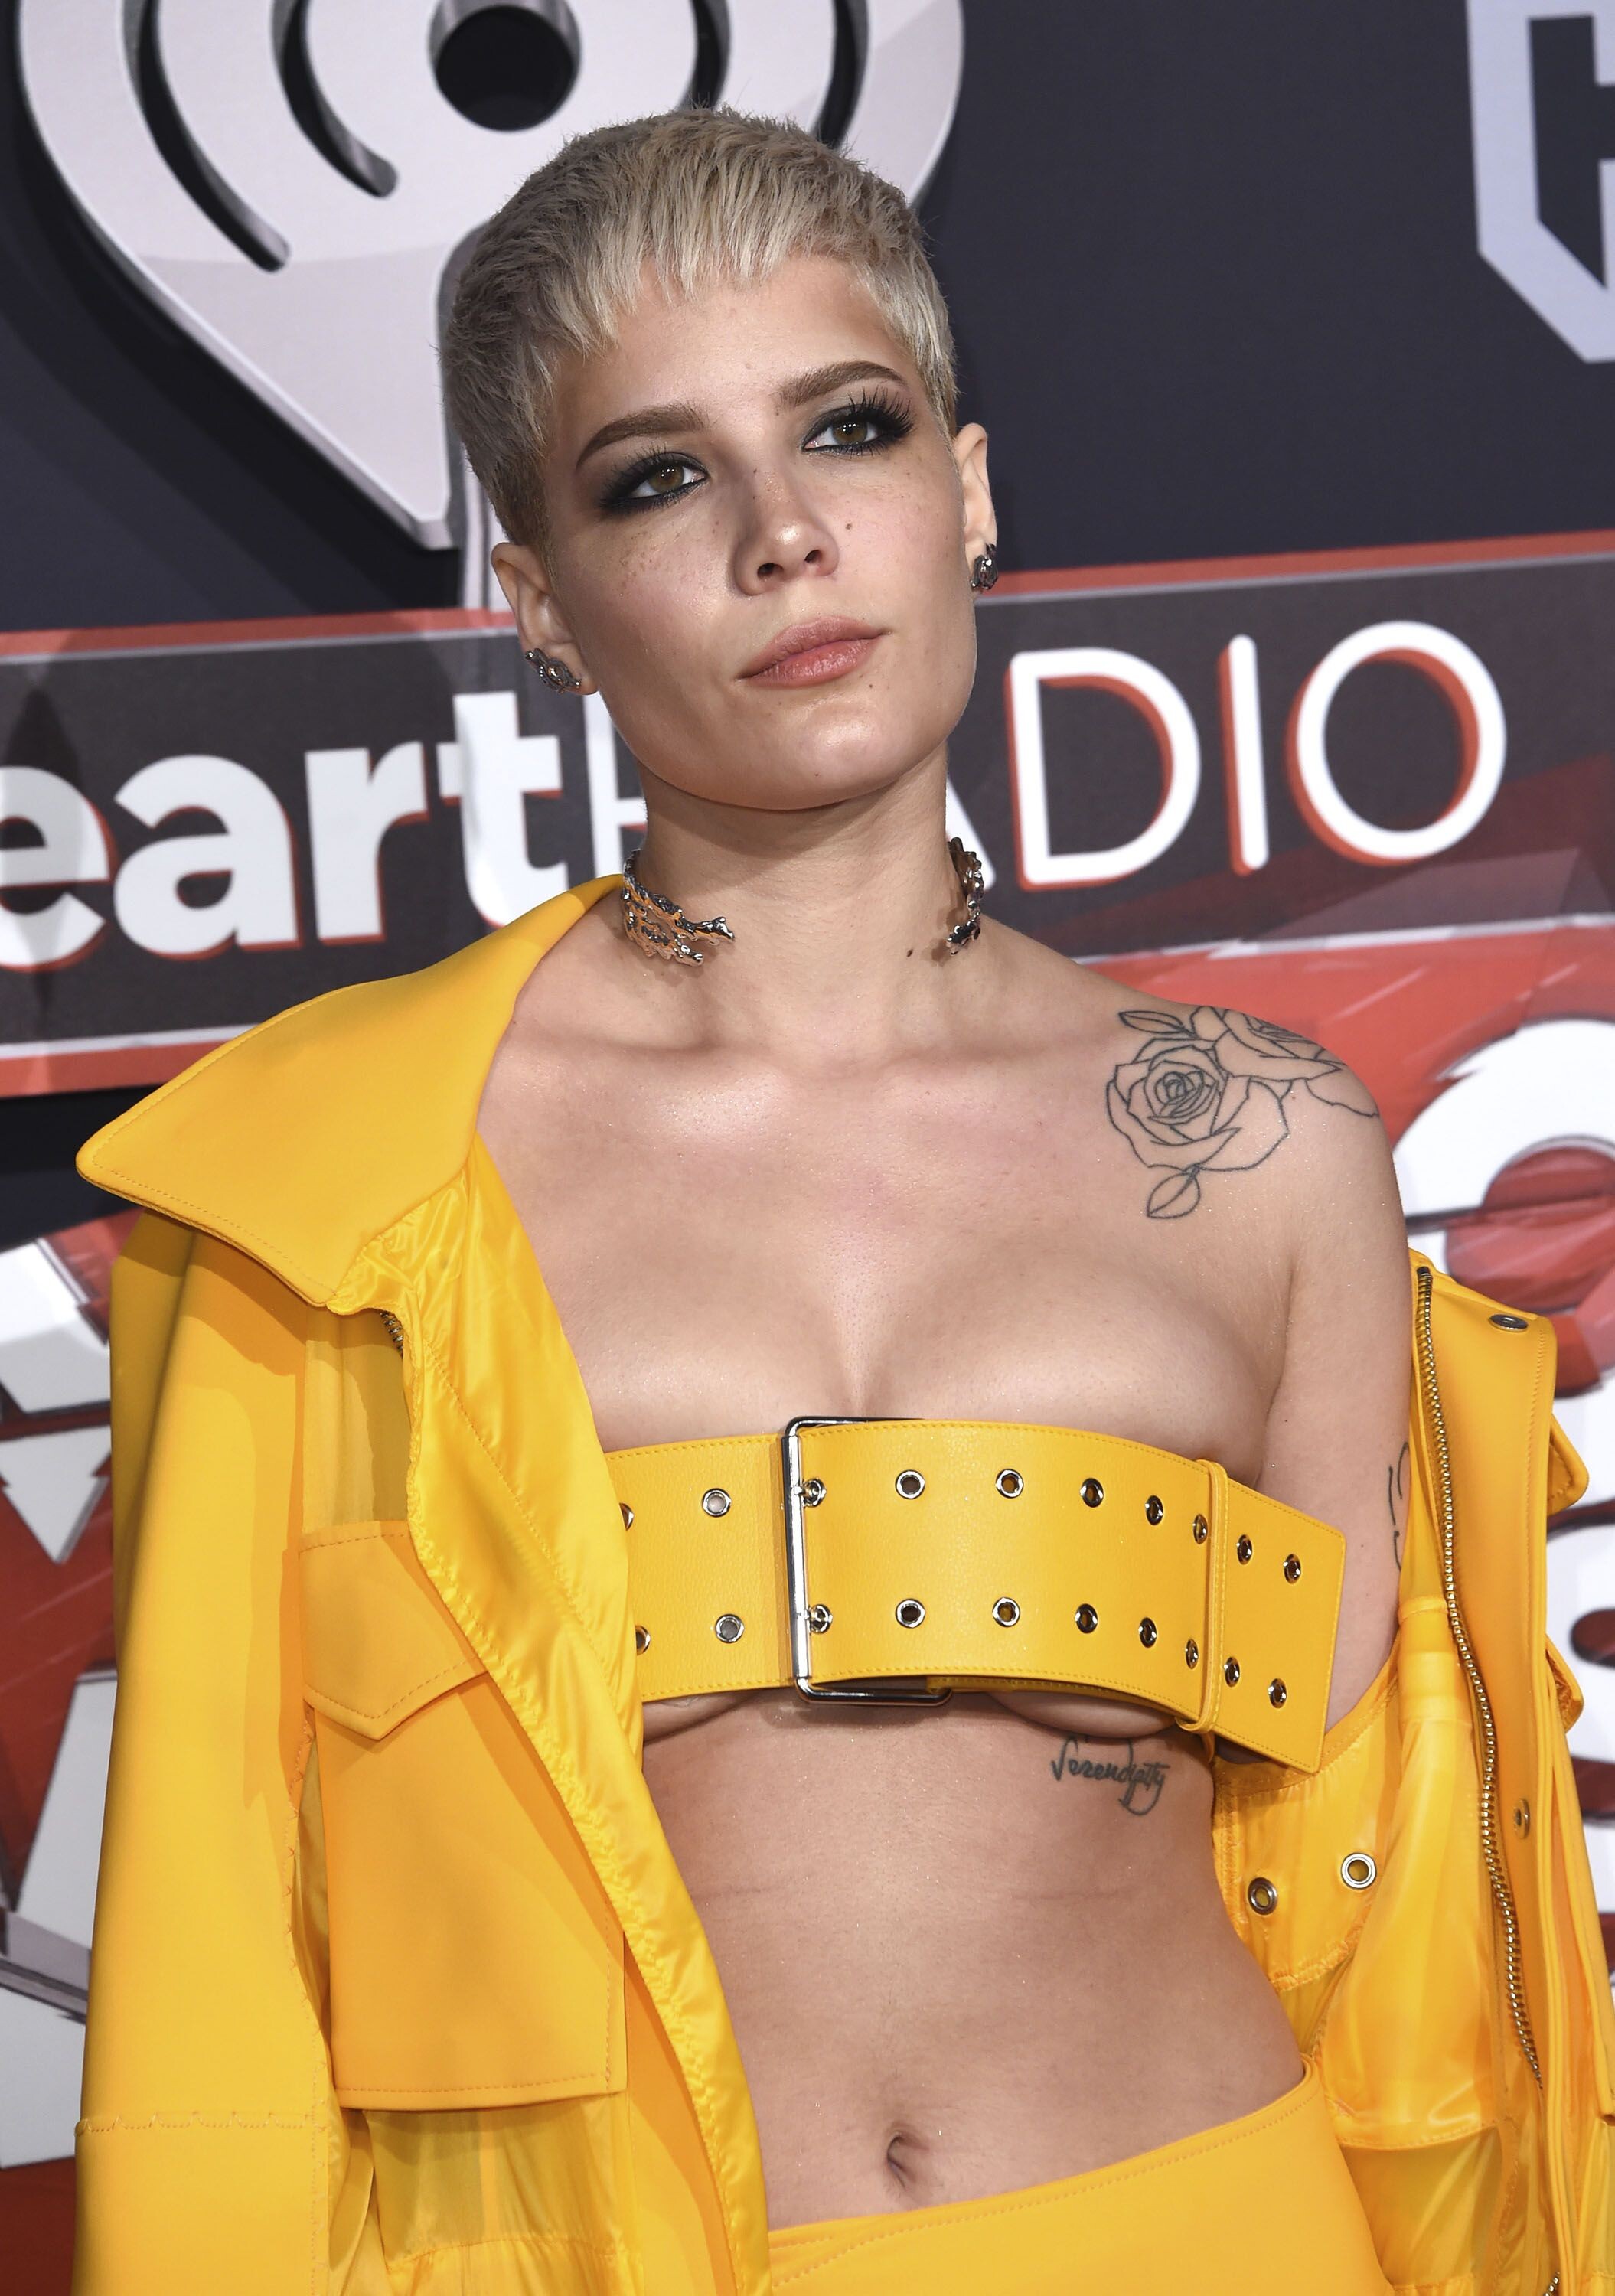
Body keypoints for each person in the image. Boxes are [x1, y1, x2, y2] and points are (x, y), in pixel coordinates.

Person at [73, 109, 1613, 2296]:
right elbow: (213, 1959)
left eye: (849, 429)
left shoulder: (1269, 1147)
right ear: (539, 601)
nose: (783, 533)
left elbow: (1394, 1895)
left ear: (967, 492)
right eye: (657, 477)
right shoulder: (322, 1182)